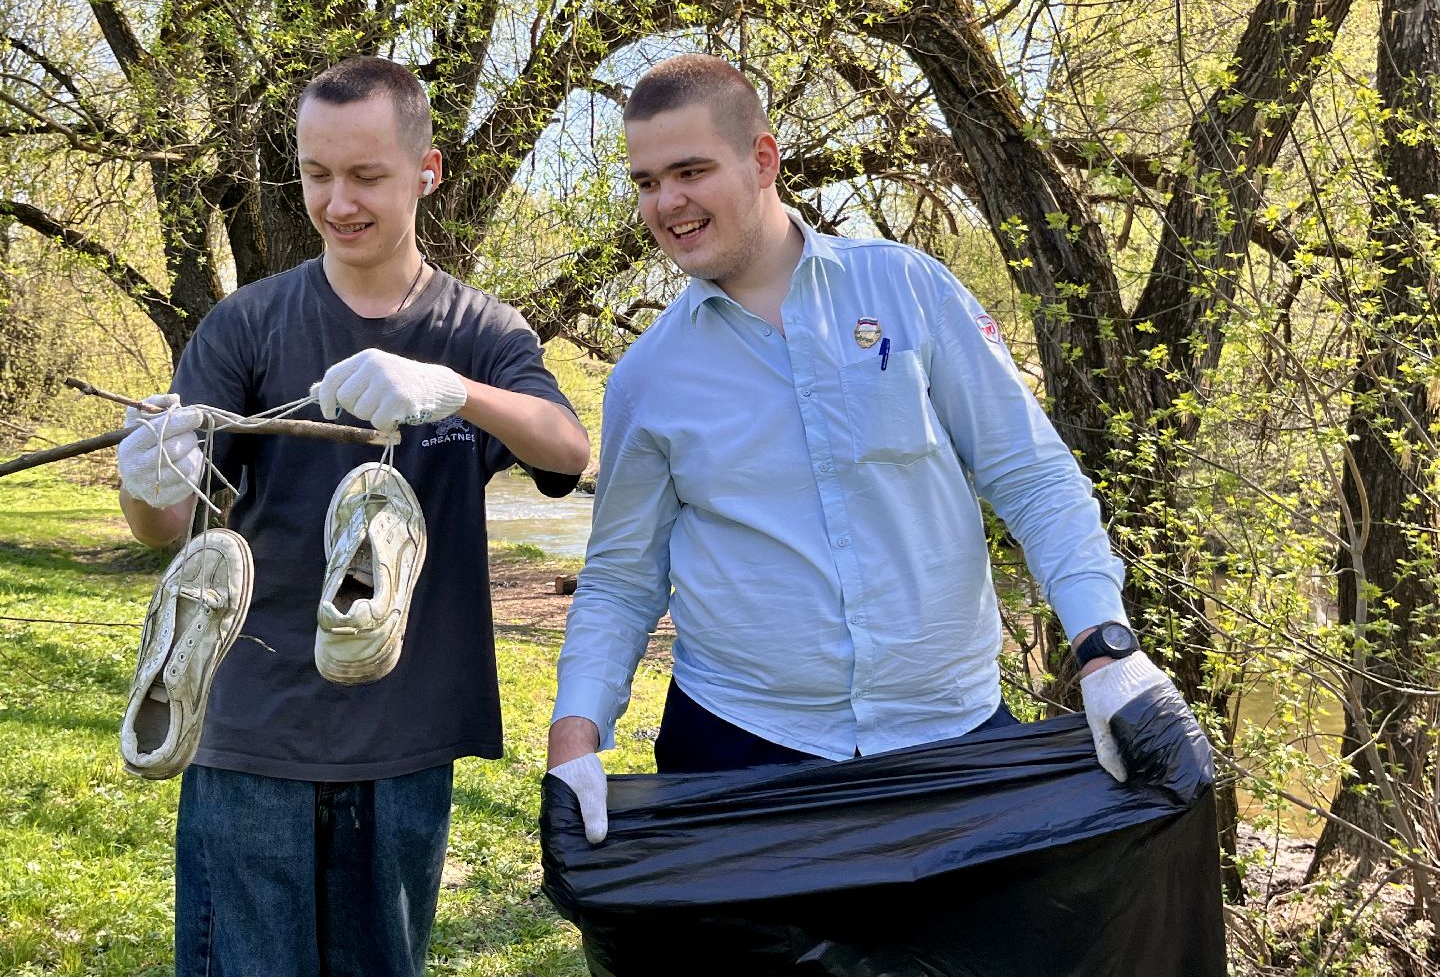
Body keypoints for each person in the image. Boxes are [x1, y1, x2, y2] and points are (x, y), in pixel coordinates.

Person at [546, 53, 1211, 844]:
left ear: (764, 159)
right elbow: (623, 579)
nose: (668, 203)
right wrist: (574, 733)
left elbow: (1031, 476)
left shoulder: (910, 292)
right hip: (737, 749)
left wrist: (1105, 647)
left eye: (690, 170)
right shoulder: (645, 378)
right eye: (647, 182)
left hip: (952, 734)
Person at [116, 56, 590, 974]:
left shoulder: (481, 333)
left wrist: (456, 392)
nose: (338, 202)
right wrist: (149, 477)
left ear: (427, 171)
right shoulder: (248, 325)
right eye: (316, 173)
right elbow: (165, 531)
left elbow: (566, 449)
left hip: (407, 738)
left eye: (367, 175)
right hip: (252, 732)